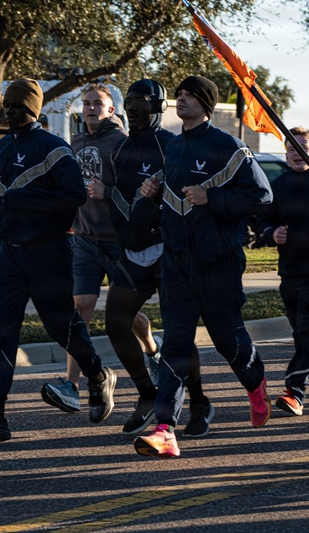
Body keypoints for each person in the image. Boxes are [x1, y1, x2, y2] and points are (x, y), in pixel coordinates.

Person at [0, 79, 116, 442]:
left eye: (16, 106)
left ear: (32, 109)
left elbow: (74, 196)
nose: (9, 110)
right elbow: (8, 196)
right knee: (2, 332)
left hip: (48, 254)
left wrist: (21, 203)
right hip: (11, 255)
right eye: (7, 105)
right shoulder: (4, 145)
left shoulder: (54, 148)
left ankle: (97, 374)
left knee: (61, 328)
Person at [133, 75, 274, 458]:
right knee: (176, 344)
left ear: (205, 104)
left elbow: (262, 196)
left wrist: (212, 197)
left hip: (218, 262)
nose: (181, 100)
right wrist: (152, 192)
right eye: (178, 95)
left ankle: (255, 381)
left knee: (228, 340)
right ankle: (165, 429)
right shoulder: (173, 147)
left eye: (189, 95)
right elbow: (171, 195)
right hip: (176, 261)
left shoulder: (229, 146)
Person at [104, 79, 213, 437]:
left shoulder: (172, 146)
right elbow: (116, 199)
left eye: (141, 101)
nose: (133, 107)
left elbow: (189, 198)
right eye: (129, 101)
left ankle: (198, 402)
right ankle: (147, 395)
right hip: (133, 254)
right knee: (116, 321)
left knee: (179, 334)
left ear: (158, 107)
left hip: (170, 253)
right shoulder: (119, 150)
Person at [40, 83, 158, 414]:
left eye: (98, 104)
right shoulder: (75, 143)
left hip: (119, 241)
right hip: (84, 239)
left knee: (127, 314)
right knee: (82, 306)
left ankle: (151, 347)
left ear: (111, 110)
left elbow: (138, 188)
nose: (91, 108)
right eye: (87, 103)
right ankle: (74, 385)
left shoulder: (122, 143)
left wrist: (108, 191)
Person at [255, 127, 309, 416]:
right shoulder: (278, 185)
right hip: (290, 269)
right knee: (302, 329)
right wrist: (271, 232)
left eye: (302, 147)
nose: (296, 152)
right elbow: (261, 220)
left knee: (305, 332)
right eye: (291, 147)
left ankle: (295, 392)